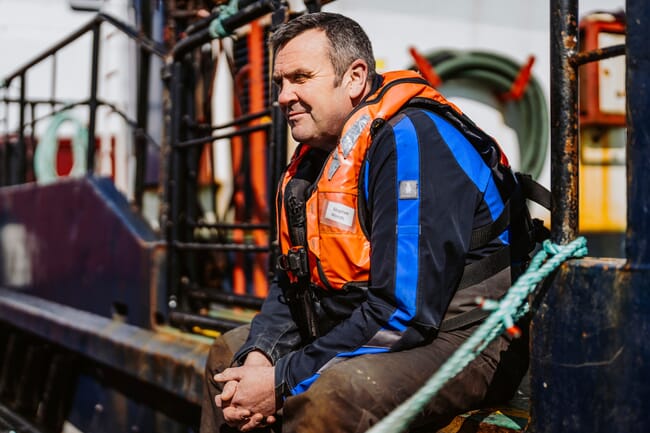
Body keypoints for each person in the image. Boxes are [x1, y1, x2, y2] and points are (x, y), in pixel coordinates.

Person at [200, 11, 535, 433]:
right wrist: (262, 356)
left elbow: (405, 312)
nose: (284, 96)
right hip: (369, 321)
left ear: (355, 77)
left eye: (301, 78)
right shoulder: (316, 156)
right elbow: (290, 281)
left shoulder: (410, 139)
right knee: (228, 357)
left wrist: (282, 379)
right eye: (280, 83)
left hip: (463, 336)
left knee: (333, 394)